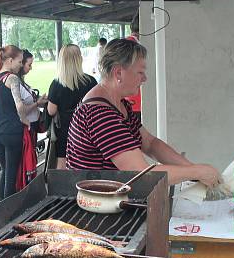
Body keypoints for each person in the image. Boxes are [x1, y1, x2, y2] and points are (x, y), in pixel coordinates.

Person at [66, 38, 220, 186]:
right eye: (140, 72)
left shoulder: (119, 103)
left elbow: (150, 143)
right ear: (118, 73)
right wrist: (195, 172)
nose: (145, 78)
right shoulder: (99, 113)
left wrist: (191, 168)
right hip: (94, 204)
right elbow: (139, 174)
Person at [0, 45, 47, 200]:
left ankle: (0, 207)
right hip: (12, 131)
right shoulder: (12, 78)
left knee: (5, 171)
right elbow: (20, 106)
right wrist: (26, 120)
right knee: (12, 174)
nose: (20, 65)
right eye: (20, 61)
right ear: (10, 60)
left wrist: (1, 114)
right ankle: (8, 211)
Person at [47, 44, 98, 169]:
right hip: (87, 126)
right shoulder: (91, 81)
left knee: (62, 159)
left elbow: (51, 111)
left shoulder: (56, 84)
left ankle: (61, 188)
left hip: (65, 127)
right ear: (79, 59)